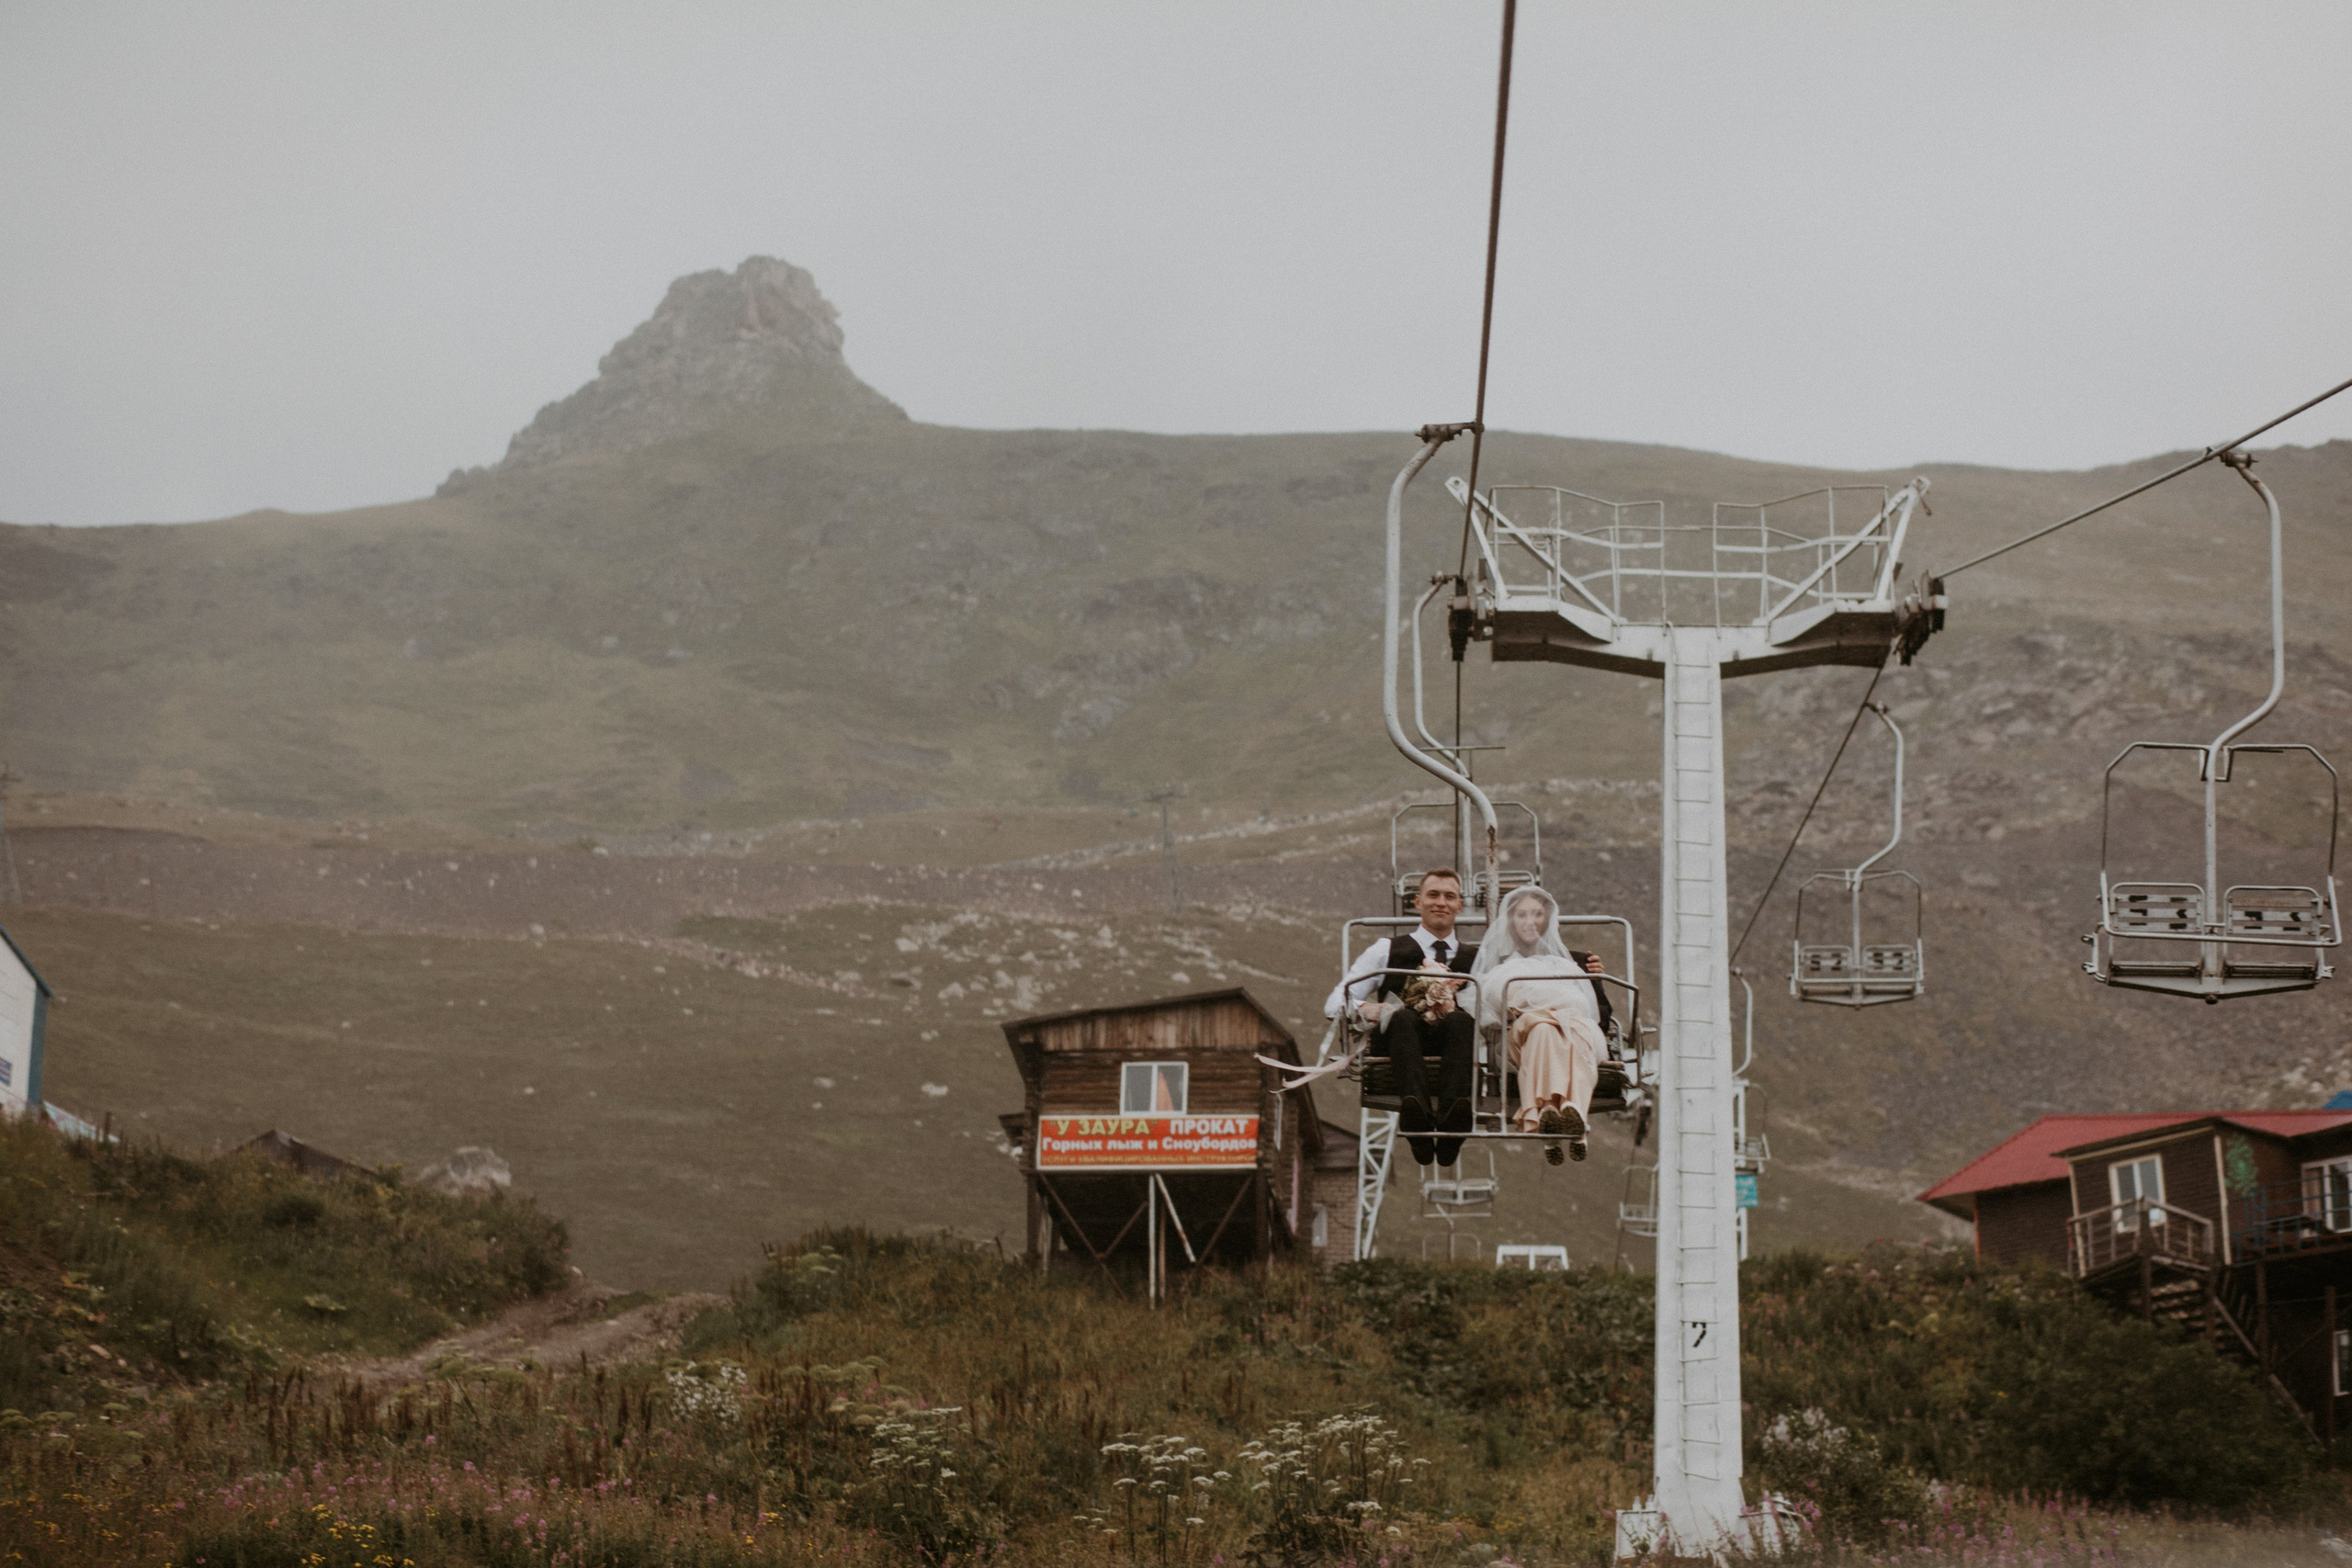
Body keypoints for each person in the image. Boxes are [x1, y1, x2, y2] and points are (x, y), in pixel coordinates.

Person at [1324, 867, 1478, 1166]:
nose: (1441, 903)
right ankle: (1415, 1112)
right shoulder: (1387, 949)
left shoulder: (1476, 959)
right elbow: (1334, 1004)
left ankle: (1454, 1119)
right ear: (1418, 902)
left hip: (1453, 1048)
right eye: (1433, 895)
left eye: (1449, 897)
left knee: (1460, 1021)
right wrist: (1365, 1008)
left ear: (1460, 906)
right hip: (1399, 1045)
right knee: (1402, 1017)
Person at [1470, 885, 1611, 1166]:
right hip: (1521, 1039)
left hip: (1571, 1032)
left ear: (1548, 920)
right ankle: (1575, 1120)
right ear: (1511, 921)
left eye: (1537, 914)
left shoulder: (1574, 962)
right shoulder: (1496, 963)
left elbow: (1602, 1013)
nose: (1529, 922)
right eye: (1521, 915)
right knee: (1542, 1028)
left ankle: (1548, 1113)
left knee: (1560, 1031)